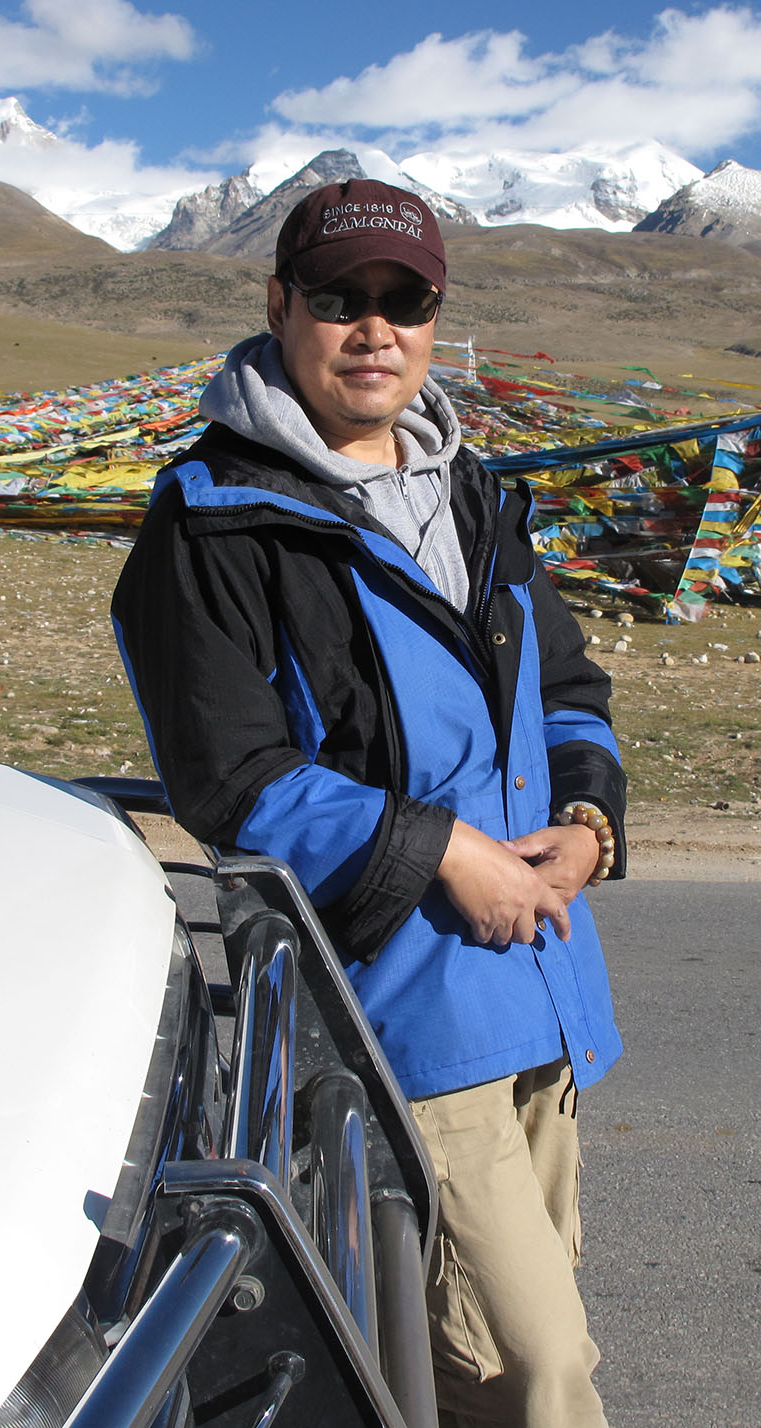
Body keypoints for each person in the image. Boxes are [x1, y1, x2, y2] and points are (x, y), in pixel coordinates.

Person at [113, 178, 627, 1427]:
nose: (373, 328)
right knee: (531, 1369)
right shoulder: (213, 529)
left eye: (405, 300)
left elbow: (564, 685)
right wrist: (444, 850)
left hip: (539, 982)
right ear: (280, 305)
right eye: (340, 298)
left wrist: (588, 819)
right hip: (397, 1002)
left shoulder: (471, 497)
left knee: (501, 1345)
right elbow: (233, 781)